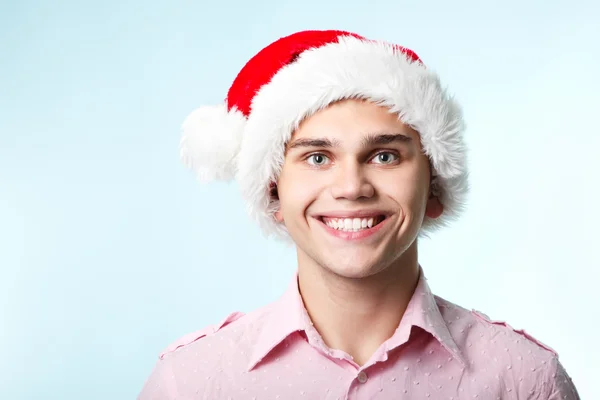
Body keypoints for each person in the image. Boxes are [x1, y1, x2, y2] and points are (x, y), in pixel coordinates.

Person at [137, 30, 580, 399]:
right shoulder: (190, 382)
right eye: (316, 158)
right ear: (273, 192)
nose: (351, 187)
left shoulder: (525, 379)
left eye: (385, 156)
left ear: (435, 188)